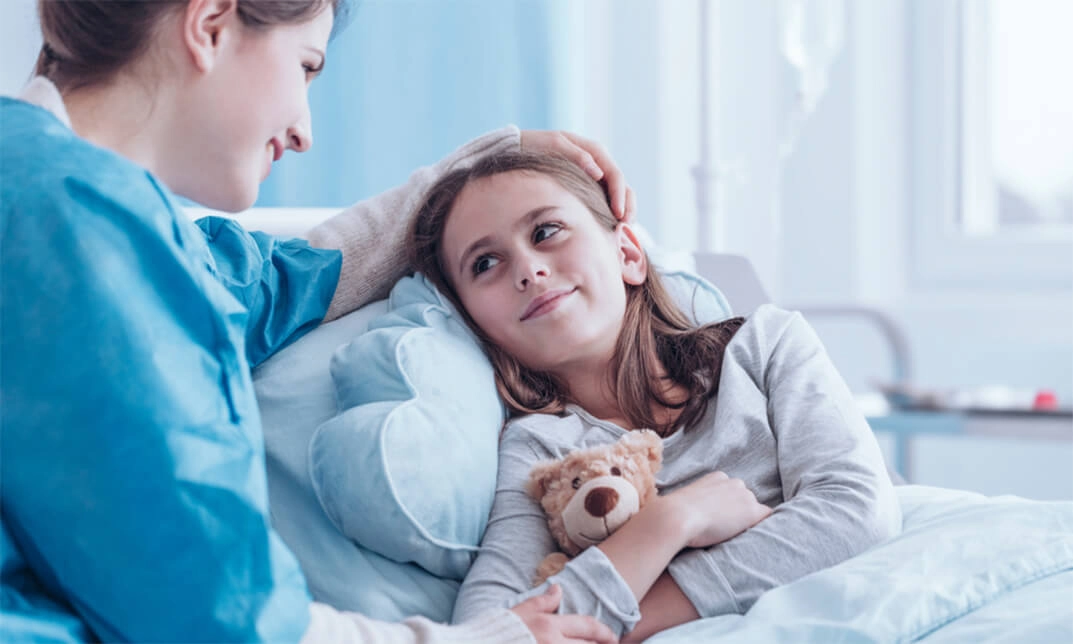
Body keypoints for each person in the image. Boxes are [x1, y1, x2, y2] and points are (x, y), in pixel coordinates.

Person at [0, 1, 626, 642]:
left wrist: (483, 167)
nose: (304, 132)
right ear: (210, 23)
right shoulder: (82, 235)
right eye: (305, 66)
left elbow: (279, 282)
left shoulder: (65, 199)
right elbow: (217, 620)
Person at [409, 151, 903, 643]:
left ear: (627, 254)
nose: (528, 270)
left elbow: (858, 512)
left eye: (546, 232)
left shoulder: (767, 347)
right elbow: (489, 629)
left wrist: (633, 620)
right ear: (477, 325)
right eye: (485, 263)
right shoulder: (538, 450)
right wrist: (673, 520)